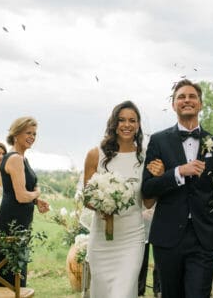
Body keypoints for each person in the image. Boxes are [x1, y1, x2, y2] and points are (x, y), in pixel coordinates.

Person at [142, 79, 213, 298]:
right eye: (181, 97)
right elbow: (148, 188)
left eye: (192, 96)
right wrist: (178, 172)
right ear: (173, 105)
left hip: (204, 238)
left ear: (200, 104)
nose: (187, 100)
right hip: (167, 236)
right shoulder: (158, 141)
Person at [84, 101, 158, 298]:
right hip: (101, 238)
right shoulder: (95, 155)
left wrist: (158, 179)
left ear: (138, 124)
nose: (127, 125)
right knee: (102, 292)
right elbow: (87, 199)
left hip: (132, 237)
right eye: (122, 120)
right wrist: (104, 203)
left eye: (132, 120)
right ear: (114, 123)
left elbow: (148, 203)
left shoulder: (145, 157)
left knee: (123, 292)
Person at [0, 116, 49, 287]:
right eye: (28, 133)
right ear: (16, 134)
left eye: (34, 134)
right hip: (12, 221)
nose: (32, 137)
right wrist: (37, 193)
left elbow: (19, 191)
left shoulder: (23, 159)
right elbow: (21, 196)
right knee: (10, 272)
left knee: (16, 269)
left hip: (20, 219)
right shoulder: (15, 158)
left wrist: (36, 200)